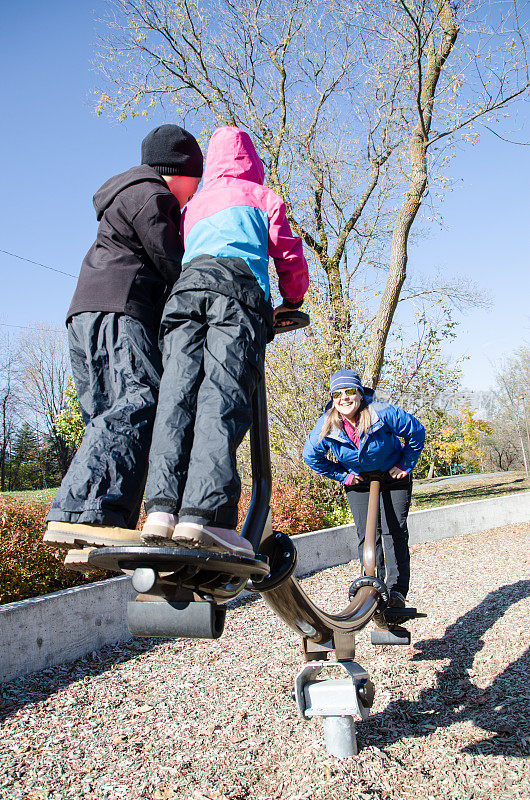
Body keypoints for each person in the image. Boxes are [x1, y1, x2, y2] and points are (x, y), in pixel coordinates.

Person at [140, 126, 309, 556]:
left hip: (184, 296)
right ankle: (205, 519)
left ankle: (161, 510)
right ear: (252, 162)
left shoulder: (193, 206)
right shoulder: (261, 196)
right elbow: (288, 253)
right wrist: (292, 299)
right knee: (223, 396)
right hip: (237, 294)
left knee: (177, 397)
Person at [44, 125, 204, 557]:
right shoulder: (151, 194)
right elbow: (173, 261)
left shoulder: (124, 195)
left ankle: (93, 517)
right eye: (196, 180)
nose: (196, 193)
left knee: (104, 413)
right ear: (179, 171)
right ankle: (88, 511)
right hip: (120, 309)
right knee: (141, 399)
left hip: (86, 313)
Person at [303, 369, 425, 608]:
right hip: (359, 481)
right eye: (337, 393)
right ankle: (372, 587)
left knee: (393, 531)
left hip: (393, 475)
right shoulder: (327, 424)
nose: (344, 398)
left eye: (349, 391)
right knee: (367, 534)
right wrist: (342, 476)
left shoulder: (382, 412)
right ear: (333, 399)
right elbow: (311, 456)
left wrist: (405, 464)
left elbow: (416, 432)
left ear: (360, 394)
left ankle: (397, 591)